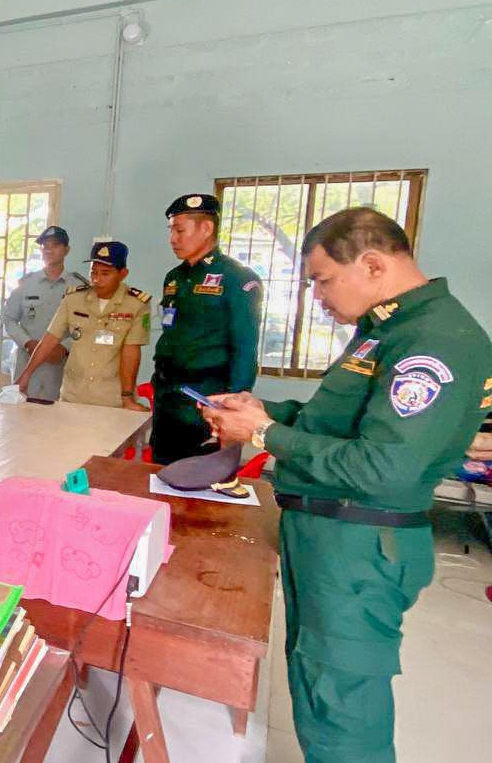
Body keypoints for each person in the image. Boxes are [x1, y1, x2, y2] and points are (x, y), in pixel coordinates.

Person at [201, 207, 492, 763]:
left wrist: (262, 434)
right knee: (318, 691)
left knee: (342, 716)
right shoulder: (388, 329)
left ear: (374, 265)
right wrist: (264, 411)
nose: (317, 296)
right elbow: (339, 423)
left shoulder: (432, 340)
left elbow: (383, 466)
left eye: (323, 280)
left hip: (359, 548)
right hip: (331, 534)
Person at [151, 193, 262, 463]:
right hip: (168, 395)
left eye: (179, 230)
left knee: (201, 475)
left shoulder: (237, 278)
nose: (172, 239)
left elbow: (244, 348)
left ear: (206, 228)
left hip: (207, 397)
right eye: (171, 231)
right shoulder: (174, 278)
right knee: (161, 470)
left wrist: (233, 406)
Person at [14, 241, 151, 409]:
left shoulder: (136, 305)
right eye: (93, 272)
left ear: (123, 274)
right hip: (73, 395)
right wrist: (26, 376)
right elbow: (50, 339)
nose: (97, 279)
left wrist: (127, 398)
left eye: (105, 274)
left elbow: (131, 352)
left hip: (111, 399)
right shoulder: (74, 299)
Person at [1, 226, 72, 400]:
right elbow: (8, 319)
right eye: (44, 246)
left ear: (67, 250)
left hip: (61, 366)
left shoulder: (77, 286)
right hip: (27, 364)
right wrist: (27, 343)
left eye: (55, 245)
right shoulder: (26, 284)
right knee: (24, 410)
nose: (48, 250)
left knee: (60, 413)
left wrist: (65, 347)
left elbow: (85, 326)